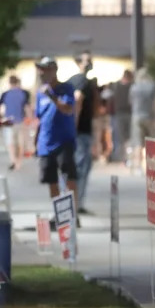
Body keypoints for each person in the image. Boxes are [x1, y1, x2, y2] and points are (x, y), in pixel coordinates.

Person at [33, 57, 78, 220]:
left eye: (46, 69)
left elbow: (67, 109)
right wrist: (36, 143)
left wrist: (52, 96)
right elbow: (39, 118)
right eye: (41, 70)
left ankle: (72, 213)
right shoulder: (40, 93)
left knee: (69, 177)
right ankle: (59, 214)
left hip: (63, 141)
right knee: (51, 180)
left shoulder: (66, 89)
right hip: (46, 142)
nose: (42, 73)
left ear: (54, 70)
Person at [65, 52, 98, 214]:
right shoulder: (81, 80)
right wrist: (74, 127)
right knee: (80, 167)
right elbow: (77, 101)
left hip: (80, 131)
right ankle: (75, 204)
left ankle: (75, 203)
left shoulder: (76, 80)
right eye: (87, 61)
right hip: (80, 132)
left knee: (80, 166)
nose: (90, 63)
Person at [0, 75, 32, 170]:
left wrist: (0, 118)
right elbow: (27, 108)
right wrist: (30, 119)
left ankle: (13, 160)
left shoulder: (5, 94)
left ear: (9, 83)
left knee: (10, 143)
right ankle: (18, 163)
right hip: (20, 121)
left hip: (8, 121)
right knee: (20, 143)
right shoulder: (24, 93)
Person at [129, 67, 155, 168]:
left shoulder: (134, 87)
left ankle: (137, 165)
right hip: (149, 116)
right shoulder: (152, 86)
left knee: (138, 142)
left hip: (136, 116)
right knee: (151, 142)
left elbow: (131, 102)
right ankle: (152, 165)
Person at [110, 70, 133, 163]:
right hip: (123, 113)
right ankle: (124, 157)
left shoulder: (116, 86)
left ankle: (124, 157)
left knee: (122, 137)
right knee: (123, 137)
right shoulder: (130, 86)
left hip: (122, 113)